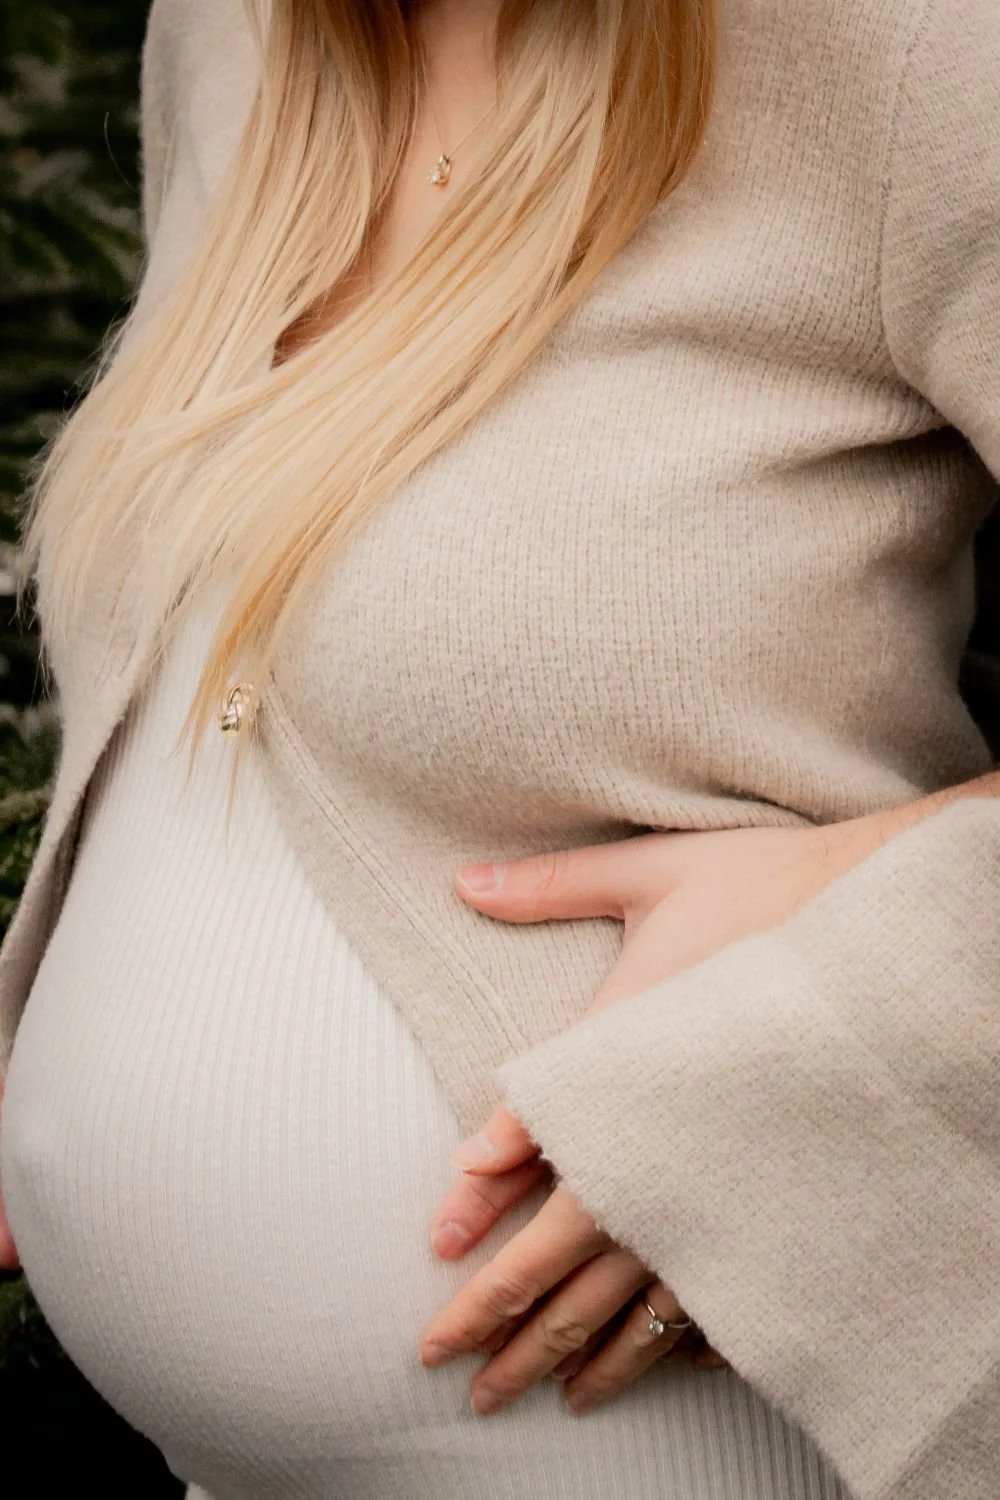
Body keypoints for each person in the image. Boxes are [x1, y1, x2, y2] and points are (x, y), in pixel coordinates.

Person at [0, 0, 998, 1494]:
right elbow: (219, 615)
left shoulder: (922, 53)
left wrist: (861, 896)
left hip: (681, 1440)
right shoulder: (229, 32)